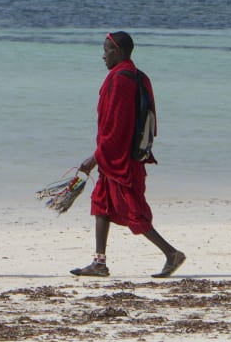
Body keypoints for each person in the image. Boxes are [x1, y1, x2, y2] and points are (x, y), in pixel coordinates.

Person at [70, 31, 185, 279]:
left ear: (118, 52)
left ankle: (171, 253)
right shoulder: (136, 76)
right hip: (118, 157)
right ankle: (99, 263)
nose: (103, 56)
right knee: (101, 203)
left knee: (134, 213)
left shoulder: (122, 79)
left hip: (121, 160)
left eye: (106, 50)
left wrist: (95, 157)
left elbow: (116, 126)